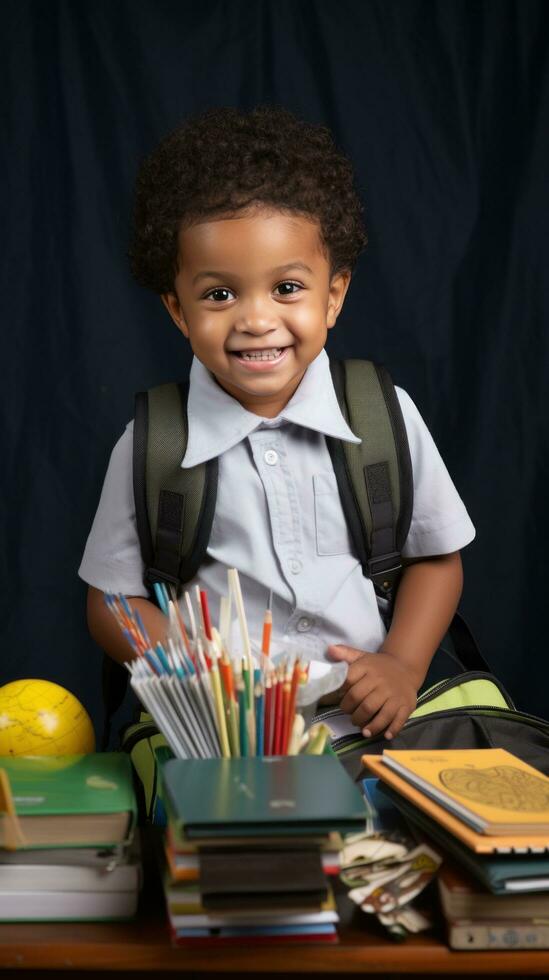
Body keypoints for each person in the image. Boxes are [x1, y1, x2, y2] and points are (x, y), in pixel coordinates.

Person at [79, 105, 475, 742]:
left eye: (287, 288)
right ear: (178, 310)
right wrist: (193, 675)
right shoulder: (154, 443)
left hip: (369, 736)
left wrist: (402, 665)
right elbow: (114, 601)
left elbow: (436, 557)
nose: (256, 319)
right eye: (219, 294)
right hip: (222, 743)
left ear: (334, 296)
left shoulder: (384, 415)